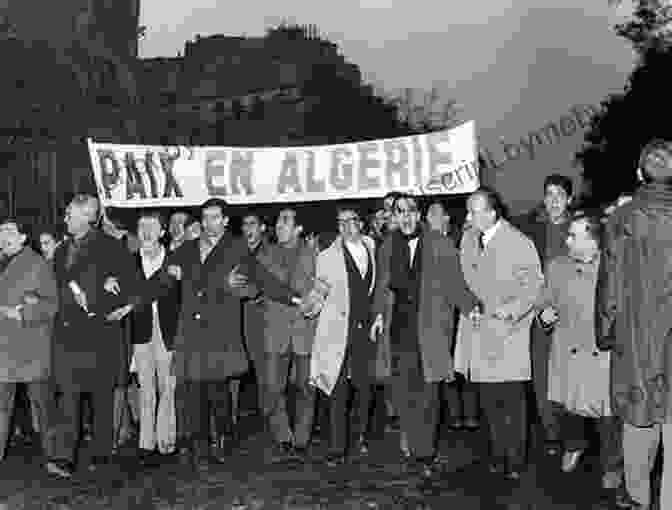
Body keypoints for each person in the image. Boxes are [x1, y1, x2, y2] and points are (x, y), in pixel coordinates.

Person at [162, 198, 304, 466]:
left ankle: (223, 441)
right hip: (191, 331)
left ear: (226, 221)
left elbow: (264, 280)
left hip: (219, 332)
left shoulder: (236, 248)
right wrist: (132, 299)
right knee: (192, 392)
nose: (208, 223)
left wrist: (297, 299)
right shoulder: (188, 248)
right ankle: (198, 446)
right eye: (205, 217)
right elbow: (163, 278)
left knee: (218, 392)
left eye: (215, 217)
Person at [370, 193, 481, 477]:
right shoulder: (387, 247)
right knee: (403, 389)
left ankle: (425, 451)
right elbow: (382, 286)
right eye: (399, 212)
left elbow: (455, 283)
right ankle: (411, 437)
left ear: (418, 214)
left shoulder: (440, 243)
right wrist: (379, 314)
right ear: (394, 217)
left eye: (410, 211)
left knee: (428, 394)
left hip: (430, 330)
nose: (405, 217)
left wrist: (471, 308)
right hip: (398, 330)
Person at [596, 139, 672, 510]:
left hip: (637, 345)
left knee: (638, 430)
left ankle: (640, 503)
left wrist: (607, 336)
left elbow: (609, 290)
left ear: (639, 173)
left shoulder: (621, 219)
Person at [49, 194, 141, 478]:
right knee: (69, 398)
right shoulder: (62, 250)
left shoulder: (111, 247)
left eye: (69, 214)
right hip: (68, 337)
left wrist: (110, 286)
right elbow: (58, 285)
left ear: (88, 217)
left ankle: (102, 456)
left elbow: (130, 284)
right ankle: (66, 457)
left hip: (99, 336)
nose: (65, 218)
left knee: (102, 400)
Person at [456, 187, 543, 481]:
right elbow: (464, 278)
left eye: (474, 211)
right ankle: (498, 454)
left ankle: (515, 460)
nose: (468, 217)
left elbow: (534, 286)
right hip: (480, 331)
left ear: (492, 213)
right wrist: (469, 306)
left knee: (511, 402)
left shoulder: (518, 242)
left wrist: (514, 309)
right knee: (489, 400)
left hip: (508, 333)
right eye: (468, 211)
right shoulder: (468, 239)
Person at [537, 214, 623, 490]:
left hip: (601, 350)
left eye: (574, 236)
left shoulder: (615, 268)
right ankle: (574, 446)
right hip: (569, 347)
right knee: (570, 408)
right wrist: (544, 313)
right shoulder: (556, 266)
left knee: (607, 415)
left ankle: (612, 465)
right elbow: (543, 300)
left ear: (593, 240)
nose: (567, 240)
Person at [310, 205, 377, 465]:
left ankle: (360, 437)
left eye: (351, 220)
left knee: (365, 387)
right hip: (337, 330)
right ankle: (337, 448)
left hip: (366, 330)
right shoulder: (327, 256)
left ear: (361, 223)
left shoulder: (372, 246)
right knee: (336, 390)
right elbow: (319, 290)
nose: (347, 226)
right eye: (341, 222)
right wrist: (308, 306)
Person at [513, 174, 573, 454]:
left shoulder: (581, 230)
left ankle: (571, 432)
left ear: (569, 199)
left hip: (573, 315)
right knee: (541, 374)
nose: (553, 200)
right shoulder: (531, 231)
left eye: (559, 194)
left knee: (569, 375)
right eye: (548, 194)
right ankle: (551, 432)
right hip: (540, 314)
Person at [256, 208, 317, 462]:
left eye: (285, 221)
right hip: (276, 330)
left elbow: (323, 285)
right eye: (278, 221)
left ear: (298, 228)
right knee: (274, 386)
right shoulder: (265, 253)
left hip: (304, 330)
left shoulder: (314, 253)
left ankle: (301, 439)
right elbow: (255, 284)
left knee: (305, 387)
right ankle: (283, 436)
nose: (279, 225)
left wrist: (317, 301)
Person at [0, 219, 58, 474]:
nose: (4, 237)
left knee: (43, 408)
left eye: (10, 232)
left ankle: (56, 458)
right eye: (0, 233)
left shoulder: (37, 264)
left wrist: (23, 313)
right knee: (1, 408)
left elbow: (51, 305)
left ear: (23, 238)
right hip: (4, 350)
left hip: (31, 349)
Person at [129, 211, 180, 465]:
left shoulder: (175, 260)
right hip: (141, 332)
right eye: (141, 227)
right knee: (145, 388)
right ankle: (146, 444)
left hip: (170, 332)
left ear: (162, 232)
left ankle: (166, 440)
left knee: (168, 386)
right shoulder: (128, 261)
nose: (146, 231)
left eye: (152, 227)